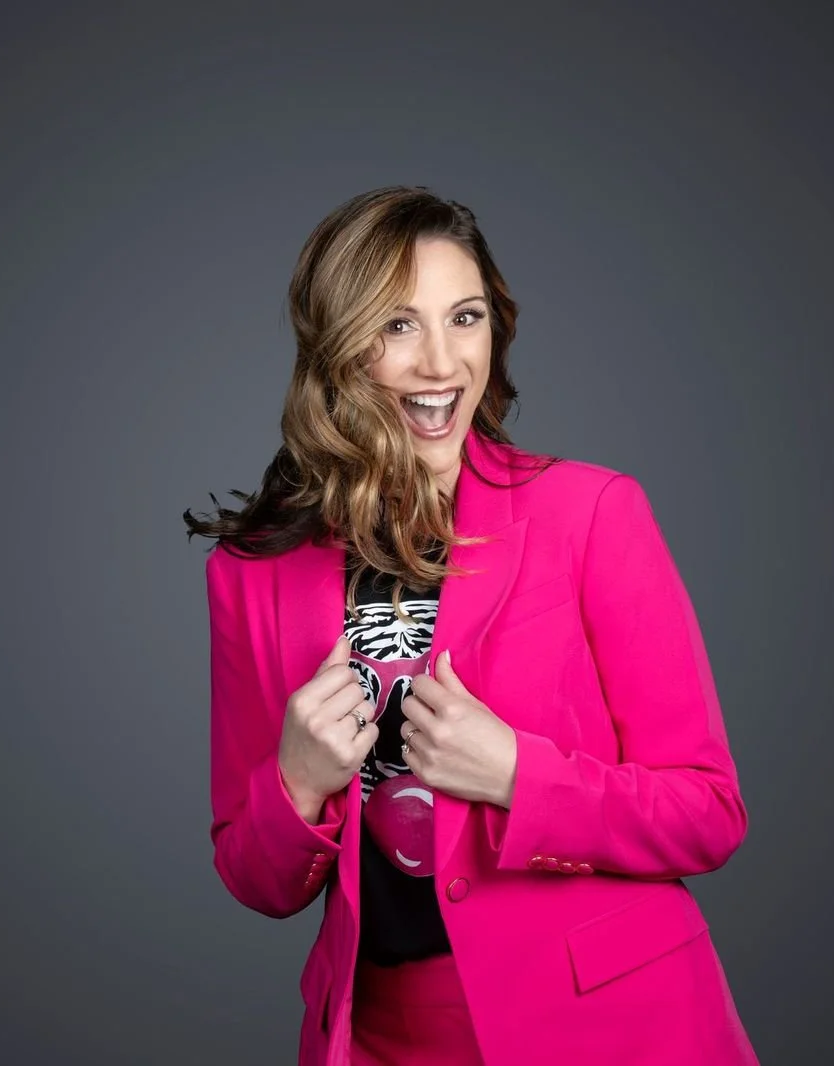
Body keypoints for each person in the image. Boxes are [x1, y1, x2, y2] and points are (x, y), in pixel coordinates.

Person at [183, 186, 758, 1065]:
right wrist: (295, 783)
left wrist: (519, 775)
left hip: (608, 1025)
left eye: (466, 317)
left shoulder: (591, 513)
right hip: (386, 1034)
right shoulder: (254, 572)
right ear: (338, 347)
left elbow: (707, 811)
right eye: (398, 325)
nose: (441, 362)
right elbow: (255, 879)